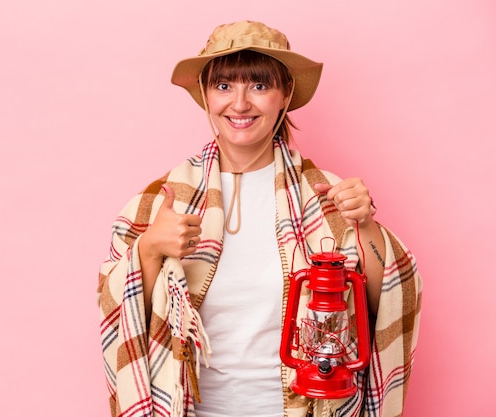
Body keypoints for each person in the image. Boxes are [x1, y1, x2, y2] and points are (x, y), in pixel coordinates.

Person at [97, 20, 422, 417]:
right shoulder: (159, 203)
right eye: (224, 86)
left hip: (307, 409)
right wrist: (148, 250)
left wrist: (366, 225)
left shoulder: (325, 197)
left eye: (258, 85)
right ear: (204, 94)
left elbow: (389, 298)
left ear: (284, 95)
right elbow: (114, 310)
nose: (239, 104)